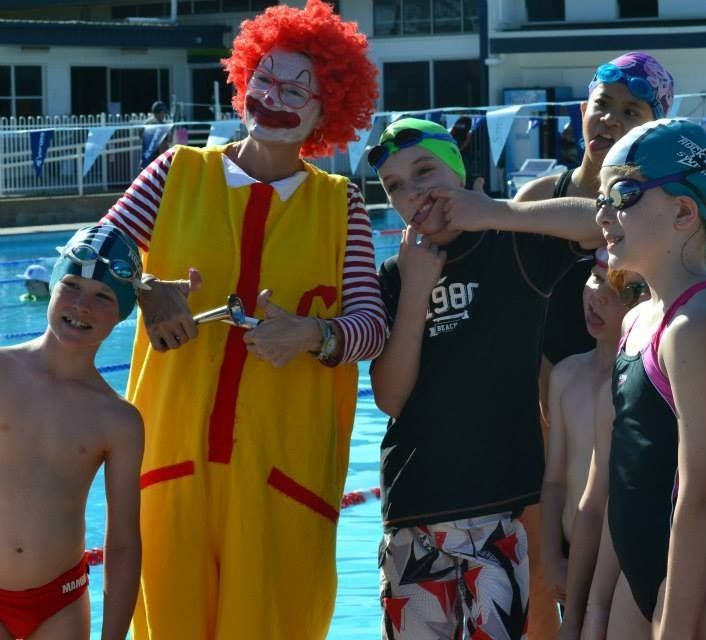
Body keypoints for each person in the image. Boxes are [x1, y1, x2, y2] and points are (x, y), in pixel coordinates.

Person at [99, 2, 384, 638]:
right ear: (243, 82)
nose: (274, 98)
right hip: (174, 470)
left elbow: (371, 324)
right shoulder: (177, 173)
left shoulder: (342, 207)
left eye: (297, 90)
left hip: (282, 481)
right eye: (265, 79)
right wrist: (142, 286)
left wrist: (315, 334)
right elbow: (87, 256)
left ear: (326, 111)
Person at [369, 117, 602, 639]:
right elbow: (389, 397)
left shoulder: (514, 246)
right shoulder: (396, 274)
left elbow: (604, 221)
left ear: (459, 171)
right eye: (395, 187)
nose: (413, 192)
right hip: (415, 508)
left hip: (502, 512)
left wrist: (497, 211)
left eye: (425, 170)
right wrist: (414, 293)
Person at [513, 51, 674, 637]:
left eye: (631, 113)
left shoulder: (655, 216)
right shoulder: (536, 197)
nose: (610, 121)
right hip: (544, 427)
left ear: (653, 128)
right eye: (603, 107)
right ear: (583, 110)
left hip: (618, 432)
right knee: (542, 599)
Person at [569, 233, 706, 640]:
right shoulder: (637, 338)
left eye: (635, 288)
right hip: (638, 575)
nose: (632, 298)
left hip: (704, 577)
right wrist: (591, 609)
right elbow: (621, 491)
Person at [594, 118, 706, 639]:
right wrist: (592, 606)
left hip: (696, 586)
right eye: (602, 196)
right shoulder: (640, 317)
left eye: (622, 195)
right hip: (642, 576)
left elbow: (704, 493)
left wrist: (677, 624)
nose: (602, 214)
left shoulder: (699, 322)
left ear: (684, 211)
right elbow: (625, 476)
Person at [0, 224, 144, 640]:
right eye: (72, 285)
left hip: (59, 602)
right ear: (52, 287)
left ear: (122, 313)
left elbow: (123, 542)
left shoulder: (118, 420)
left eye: (103, 297)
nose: (82, 305)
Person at [540, 248, 642, 611]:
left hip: (632, 570)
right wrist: (551, 557)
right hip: (574, 564)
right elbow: (554, 481)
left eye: (615, 287)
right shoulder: (566, 376)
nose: (597, 295)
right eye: (596, 278)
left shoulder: (653, 384)